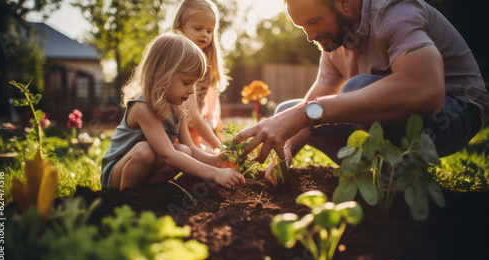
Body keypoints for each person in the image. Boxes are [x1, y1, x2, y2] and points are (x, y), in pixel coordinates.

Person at [233, 0, 489, 185]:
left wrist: (304, 113)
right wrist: (284, 147)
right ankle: (374, 170)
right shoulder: (332, 43)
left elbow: (427, 89)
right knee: (286, 111)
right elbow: (310, 106)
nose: (310, 36)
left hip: (457, 112)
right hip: (395, 121)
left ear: (344, 3)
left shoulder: (393, 10)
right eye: (302, 27)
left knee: (353, 89)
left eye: (314, 21)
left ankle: (395, 177)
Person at [101, 33, 244, 190]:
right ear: (163, 76)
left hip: (147, 167)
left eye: (195, 84)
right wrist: (215, 173)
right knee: (145, 150)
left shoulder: (178, 107)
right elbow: (167, 154)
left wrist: (215, 161)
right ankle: (125, 200)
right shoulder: (143, 107)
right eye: (186, 82)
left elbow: (191, 147)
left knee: (184, 150)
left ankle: (150, 193)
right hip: (116, 176)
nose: (191, 91)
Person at [172, 0, 229, 152]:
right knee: (205, 160)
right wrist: (219, 146)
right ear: (180, 27)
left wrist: (217, 138)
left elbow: (211, 109)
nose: (205, 34)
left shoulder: (208, 62)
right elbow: (191, 115)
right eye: (198, 28)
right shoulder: (179, 63)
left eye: (210, 31)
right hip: (174, 132)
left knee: (213, 158)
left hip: (196, 131)